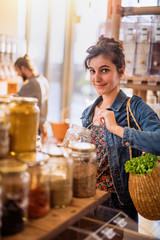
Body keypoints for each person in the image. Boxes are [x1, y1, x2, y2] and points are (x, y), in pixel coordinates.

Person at [81, 35, 160, 222]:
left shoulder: (134, 107)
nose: (96, 78)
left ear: (121, 71)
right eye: (92, 71)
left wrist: (117, 129)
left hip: (118, 206)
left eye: (104, 70)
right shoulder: (88, 113)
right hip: (87, 200)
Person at [14, 54, 49, 138]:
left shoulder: (33, 84)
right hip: (41, 125)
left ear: (23, 68)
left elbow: (14, 100)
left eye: (17, 70)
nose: (18, 74)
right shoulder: (43, 80)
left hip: (32, 126)